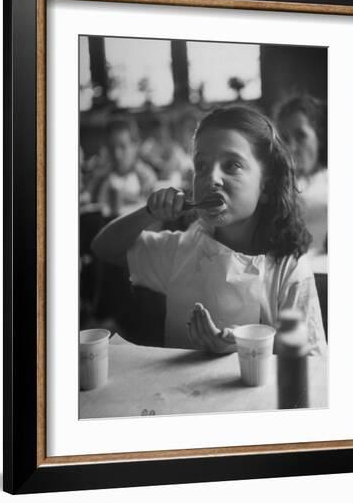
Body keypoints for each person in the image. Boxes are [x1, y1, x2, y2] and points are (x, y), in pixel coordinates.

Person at [92, 106, 327, 355]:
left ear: (266, 185)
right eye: (201, 166)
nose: (211, 178)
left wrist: (248, 345)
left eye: (232, 165)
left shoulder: (288, 269)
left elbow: (310, 363)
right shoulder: (180, 251)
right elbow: (103, 248)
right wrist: (148, 213)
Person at [275, 95, 328, 255]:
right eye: (284, 138)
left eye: (301, 136)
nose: (291, 148)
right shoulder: (275, 184)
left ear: (319, 135)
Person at [96, 116, 157, 217]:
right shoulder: (100, 180)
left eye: (123, 147)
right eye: (112, 147)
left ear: (135, 146)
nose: (117, 154)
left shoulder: (147, 177)